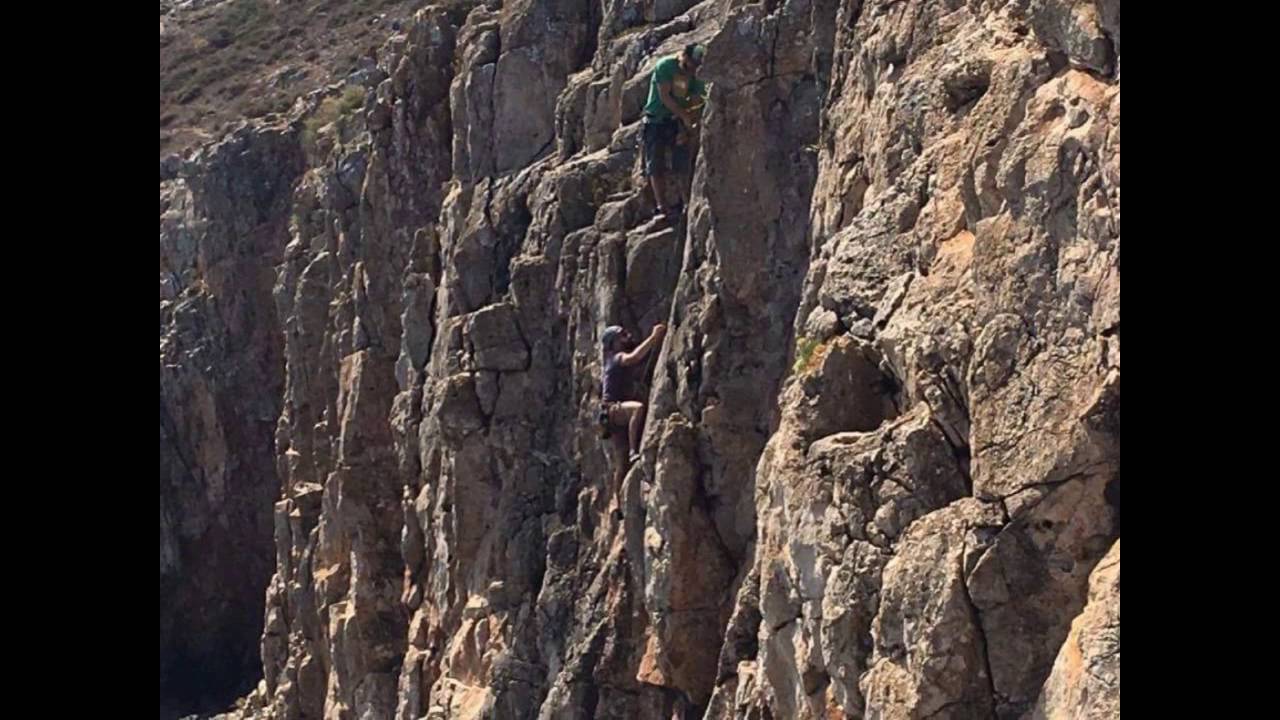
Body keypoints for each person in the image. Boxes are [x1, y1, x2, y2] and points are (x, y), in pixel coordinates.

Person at [598, 323, 667, 516]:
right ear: (613, 343)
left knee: (620, 465)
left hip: (609, 416)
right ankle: (633, 449)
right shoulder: (617, 358)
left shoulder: (609, 362)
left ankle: (617, 504)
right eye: (621, 336)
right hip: (613, 410)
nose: (625, 337)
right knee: (638, 409)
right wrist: (654, 338)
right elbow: (634, 357)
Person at [641, 44, 708, 221]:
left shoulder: (695, 77)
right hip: (656, 119)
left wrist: (688, 126)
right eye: (688, 66)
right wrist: (684, 116)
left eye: (694, 68)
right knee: (655, 163)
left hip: (675, 121)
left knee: (681, 161)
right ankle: (662, 206)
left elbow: (696, 102)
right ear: (683, 56)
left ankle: (687, 202)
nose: (690, 71)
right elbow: (665, 96)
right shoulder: (665, 66)